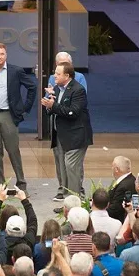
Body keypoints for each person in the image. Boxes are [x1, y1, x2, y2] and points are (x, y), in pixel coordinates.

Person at [0, 43, 37, 190]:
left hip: (9, 115)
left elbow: (32, 87)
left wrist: (25, 108)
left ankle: (21, 182)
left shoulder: (16, 71)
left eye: (2, 54)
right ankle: (0, 183)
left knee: (13, 150)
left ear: (6, 55)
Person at [41, 61, 93, 200]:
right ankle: (66, 199)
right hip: (60, 135)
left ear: (67, 76)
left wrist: (54, 106)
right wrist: (48, 106)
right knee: (63, 168)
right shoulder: (57, 89)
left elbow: (73, 112)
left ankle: (75, 201)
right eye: (55, 73)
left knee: (71, 167)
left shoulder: (78, 90)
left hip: (76, 136)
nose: (55, 76)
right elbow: (54, 110)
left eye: (58, 74)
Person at [106, 157, 136, 221]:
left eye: (112, 166)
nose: (112, 168)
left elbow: (115, 209)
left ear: (116, 169)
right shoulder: (132, 179)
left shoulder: (123, 186)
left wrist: (99, 213)